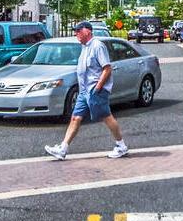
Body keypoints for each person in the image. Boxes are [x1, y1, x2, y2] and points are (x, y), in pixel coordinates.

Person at [44, 22, 128, 161]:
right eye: (75, 31)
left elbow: (107, 68)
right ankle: (63, 149)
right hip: (84, 91)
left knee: (106, 116)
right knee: (75, 117)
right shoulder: (84, 47)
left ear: (87, 31)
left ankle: (121, 146)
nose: (76, 34)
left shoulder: (97, 46)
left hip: (95, 90)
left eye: (78, 31)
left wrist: (98, 87)